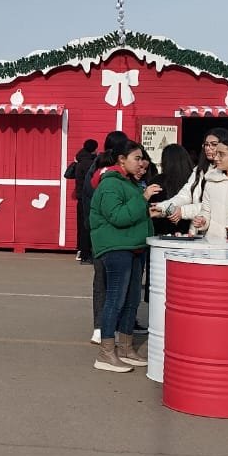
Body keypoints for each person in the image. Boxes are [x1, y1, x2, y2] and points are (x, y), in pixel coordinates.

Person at [89, 140, 159, 372]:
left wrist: (147, 210)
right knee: (115, 300)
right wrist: (143, 199)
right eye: (137, 158)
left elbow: (131, 213)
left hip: (134, 247)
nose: (142, 163)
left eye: (142, 159)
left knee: (131, 301)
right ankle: (106, 353)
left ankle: (126, 348)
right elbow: (118, 217)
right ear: (121, 160)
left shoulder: (130, 183)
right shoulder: (110, 184)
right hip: (116, 248)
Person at [83, 130, 129, 344]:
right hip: (114, 234)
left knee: (101, 280)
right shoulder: (114, 175)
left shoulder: (95, 168)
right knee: (116, 282)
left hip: (97, 232)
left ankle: (99, 327)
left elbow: (87, 201)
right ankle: (111, 327)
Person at [65, 138, 99, 262]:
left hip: (80, 198)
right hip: (91, 197)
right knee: (89, 225)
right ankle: (88, 252)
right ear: (95, 149)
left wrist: (74, 162)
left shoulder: (79, 160)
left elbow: (67, 175)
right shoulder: (93, 163)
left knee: (81, 225)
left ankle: (80, 250)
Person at [150, 143, 193, 236]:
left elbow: (152, 208)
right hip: (190, 233)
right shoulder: (193, 180)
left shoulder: (156, 182)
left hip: (161, 234)